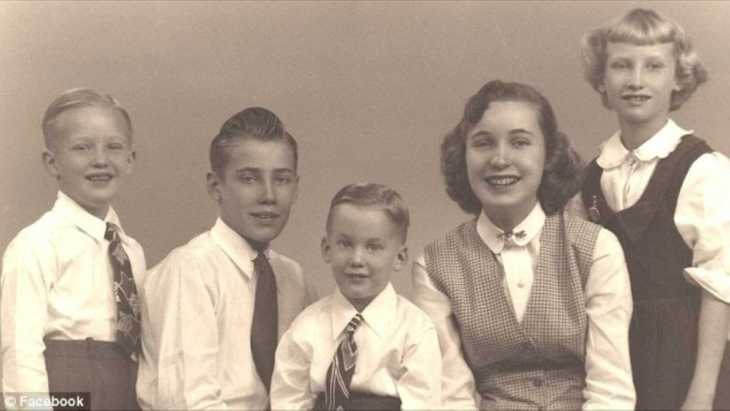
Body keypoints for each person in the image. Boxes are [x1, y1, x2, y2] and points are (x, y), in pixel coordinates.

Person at [412, 80, 636, 410]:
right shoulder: (434, 266)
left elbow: (611, 388)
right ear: (463, 156)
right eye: (483, 143)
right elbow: (451, 397)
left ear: (549, 154)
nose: (500, 159)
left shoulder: (597, 249)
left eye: (520, 142)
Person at [578, 8, 730, 410]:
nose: (636, 81)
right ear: (602, 80)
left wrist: (702, 394)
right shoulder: (591, 177)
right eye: (621, 66)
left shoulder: (704, 169)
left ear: (678, 78)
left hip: (685, 362)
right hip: (614, 360)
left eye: (654, 67)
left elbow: (720, 287)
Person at [136, 107, 313, 410]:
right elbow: (188, 402)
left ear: (296, 188)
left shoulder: (293, 278)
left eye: (281, 179)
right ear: (215, 187)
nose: (268, 195)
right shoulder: (190, 270)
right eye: (249, 178)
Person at [1, 88, 145, 410]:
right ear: (53, 163)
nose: (100, 160)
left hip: (127, 391)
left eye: (114, 147)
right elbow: (19, 353)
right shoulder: (36, 244)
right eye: (82, 147)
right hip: (68, 395)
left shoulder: (131, 251)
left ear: (130, 159)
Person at [271, 183, 441, 410]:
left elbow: (423, 405)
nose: (357, 259)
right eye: (345, 244)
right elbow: (288, 401)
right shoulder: (305, 328)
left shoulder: (415, 330)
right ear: (326, 249)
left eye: (373, 247)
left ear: (400, 257)